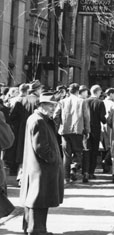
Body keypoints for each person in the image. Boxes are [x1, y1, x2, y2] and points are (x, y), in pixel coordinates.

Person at [20, 94, 64, 235]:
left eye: (54, 105)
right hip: (41, 168)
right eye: (50, 105)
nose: (53, 108)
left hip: (38, 167)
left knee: (37, 199)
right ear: (41, 105)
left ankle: (33, 228)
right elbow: (41, 147)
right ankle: (37, 230)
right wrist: (52, 158)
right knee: (38, 200)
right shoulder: (39, 121)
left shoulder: (38, 119)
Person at [54, 83, 90, 183]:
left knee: (66, 154)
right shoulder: (82, 102)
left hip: (65, 130)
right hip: (78, 130)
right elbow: (86, 117)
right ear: (78, 91)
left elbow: (55, 115)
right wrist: (87, 130)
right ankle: (74, 168)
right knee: (78, 152)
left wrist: (58, 126)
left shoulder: (62, 102)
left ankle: (66, 177)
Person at [82, 85, 106, 180]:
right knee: (94, 151)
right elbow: (102, 117)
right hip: (96, 128)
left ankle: (85, 172)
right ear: (98, 92)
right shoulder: (100, 102)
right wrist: (106, 121)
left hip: (85, 128)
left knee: (86, 150)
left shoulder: (84, 101)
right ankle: (91, 171)